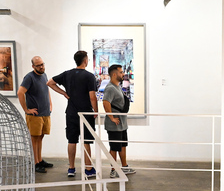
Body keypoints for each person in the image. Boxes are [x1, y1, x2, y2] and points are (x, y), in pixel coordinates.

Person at [47, 50, 98, 178]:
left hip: (71, 112)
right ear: (85, 60)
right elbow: (92, 96)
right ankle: (88, 169)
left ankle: (71, 168)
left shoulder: (67, 74)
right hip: (85, 113)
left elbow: (50, 83)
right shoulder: (89, 76)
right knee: (86, 141)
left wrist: (64, 93)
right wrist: (95, 111)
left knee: (72, 140)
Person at [18, 56, 53, 173]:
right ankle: (35, 162)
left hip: (45, 112)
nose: (42, 67)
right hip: (35, 115)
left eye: (42, 64)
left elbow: (47, 89)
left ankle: (39, 159)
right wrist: (26, 110)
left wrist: (50, 104)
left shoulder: (44, 75)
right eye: (38, 65)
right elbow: (20, 92)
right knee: (34, 138)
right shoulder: (29, 77)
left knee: (41, 137)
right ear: (33, 66)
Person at [102, 64, 136, 178]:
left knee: (122, 145)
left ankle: (124, 167)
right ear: (115, 74)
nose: (123, 74)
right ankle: (113, 170)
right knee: (114, 147)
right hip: (114, 124)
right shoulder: (110, 88)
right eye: (121, 72)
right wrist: (111, 117)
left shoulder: (117, 86)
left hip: (121, 123)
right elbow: (105, 102)